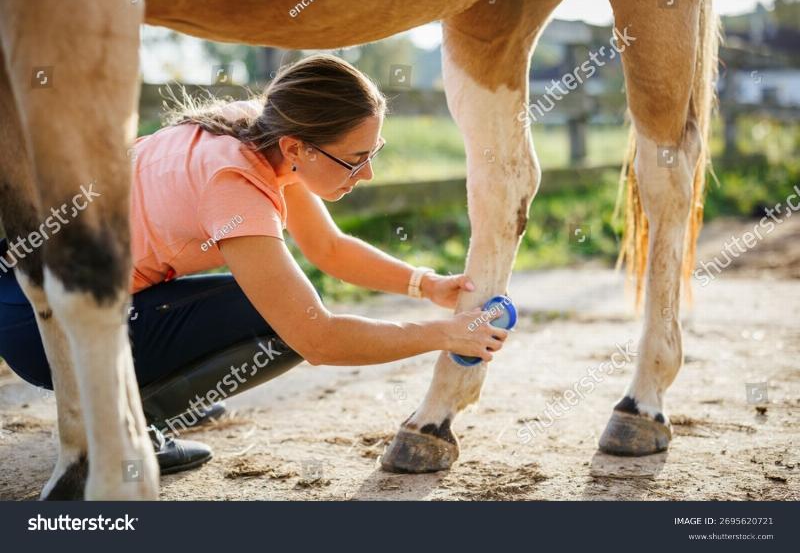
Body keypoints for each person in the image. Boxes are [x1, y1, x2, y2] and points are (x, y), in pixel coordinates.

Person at [0, 54, 509, 475]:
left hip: (34, 296)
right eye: (355, 158)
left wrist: (426, 284)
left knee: (266, 300)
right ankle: (127, 426)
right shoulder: (233, 183)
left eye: (374, 150)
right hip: (42, 329)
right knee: (274, 317)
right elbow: (318, 339)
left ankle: (152, 397)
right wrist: (444, 334)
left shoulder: (259, 129)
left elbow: (327, 247)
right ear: (297, 147)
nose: (369, 173)